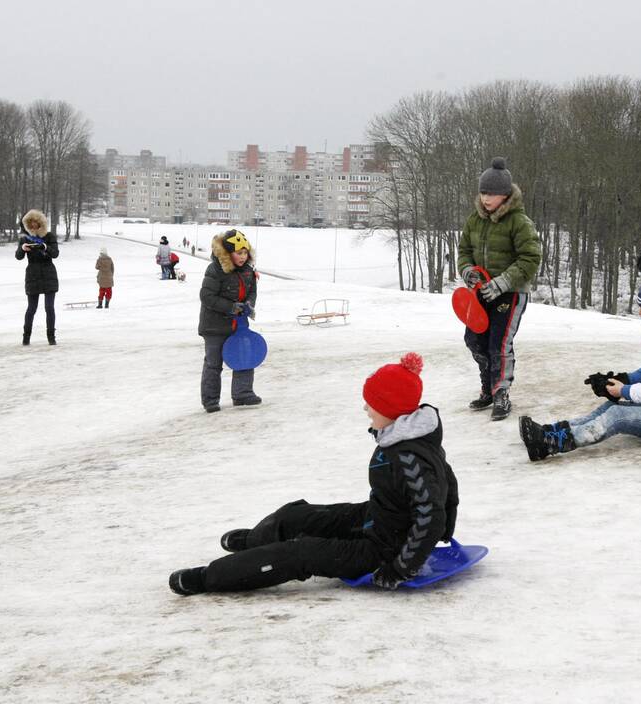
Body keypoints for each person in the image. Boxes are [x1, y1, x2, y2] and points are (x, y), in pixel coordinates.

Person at [168, 352, 459, 596]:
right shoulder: (406, 436)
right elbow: (448, 479)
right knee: (301, 515)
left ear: (393, 410)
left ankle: (209, 578)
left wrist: (400, 568)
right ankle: (256, 541)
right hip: (380, 518)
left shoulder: (410, 455)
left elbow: (431, 514)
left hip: (385, 549)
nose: (366, 408)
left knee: (300, 553)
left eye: (373, 404)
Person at [519, 275, 641, 461]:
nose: (640, 313)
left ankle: (550, 444)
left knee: (617, 415)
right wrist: (623, 379)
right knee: (610, 407)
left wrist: (623, 391)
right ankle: (550, 432)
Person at [456, 157, 543, 421]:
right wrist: (467, 271)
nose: (486, 198)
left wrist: (503, 282)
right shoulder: (475, 220)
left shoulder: (519, 221)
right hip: (480, 293)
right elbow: (464, 251)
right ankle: (488, 387)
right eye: (483, 192)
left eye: (491, 193)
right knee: (474, 340)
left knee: (499, 343)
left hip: (510, 293)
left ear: (505, 195)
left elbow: (530, 258)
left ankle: (501, 392)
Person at [197, 229, 261, 412]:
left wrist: (249, 304)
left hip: (239, 325)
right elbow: (206, 296)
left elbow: (252, 292)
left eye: (245, 252)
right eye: (238, 253)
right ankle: (210, 400)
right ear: (227, 253)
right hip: (215, 326)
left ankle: (243, 393)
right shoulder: (216, 269)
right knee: (213, 363)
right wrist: (231, 307)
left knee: (244, 357)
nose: (243, 256)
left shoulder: (248, 271)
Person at [14, 209, 59, 345]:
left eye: (36, 223)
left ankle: (51, 337)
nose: (33, 225)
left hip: (48, 274)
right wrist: (23, 249)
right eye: (30, 223)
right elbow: (18, 256)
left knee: (49, 307)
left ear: (41, 223)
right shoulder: (24, 238)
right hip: (32, 275)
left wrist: (45, 247)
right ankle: (26, 337)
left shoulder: (49, 236)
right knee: (31, 308)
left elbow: (55, 254)